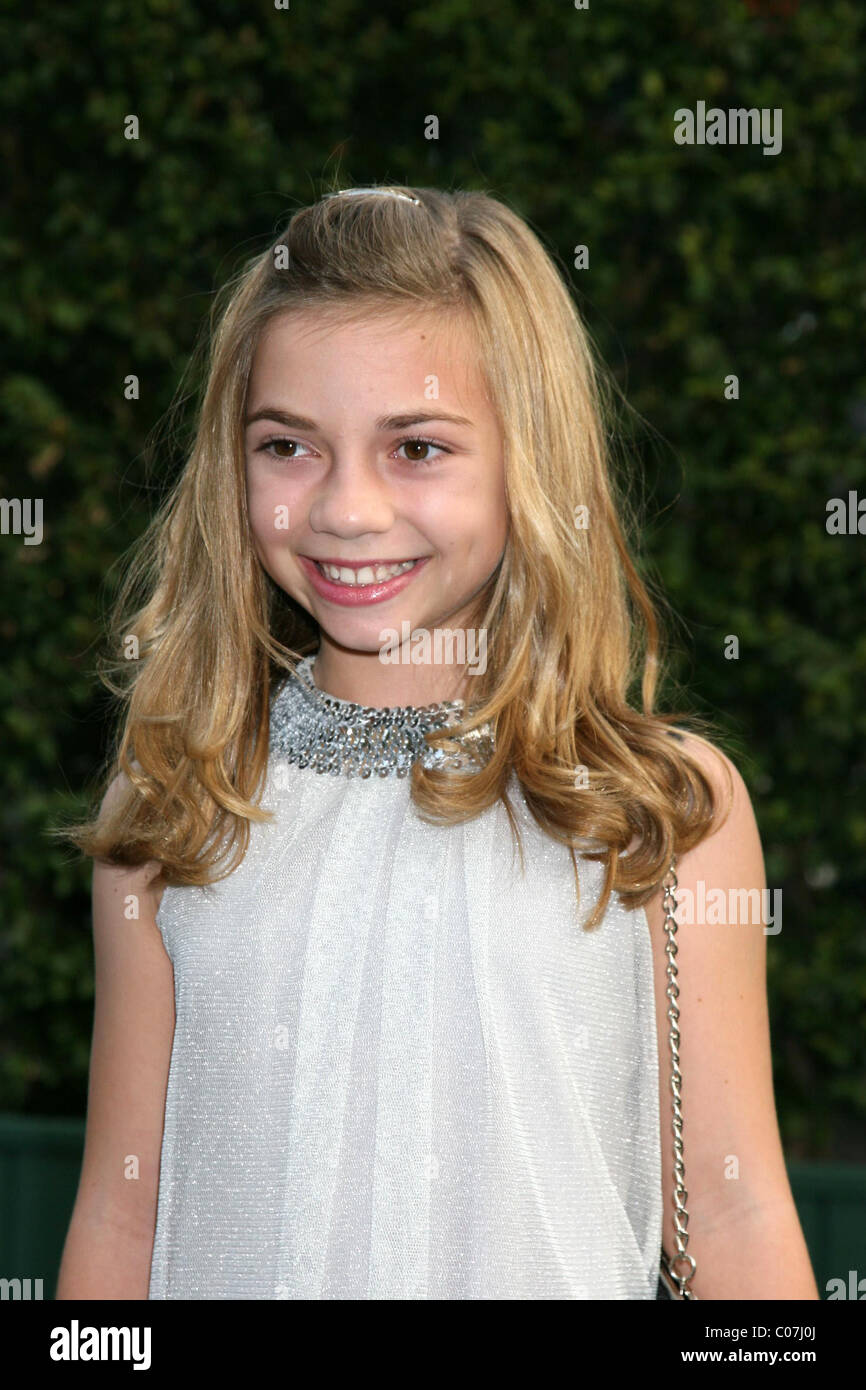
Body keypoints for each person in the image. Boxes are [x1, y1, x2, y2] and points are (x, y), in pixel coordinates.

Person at [55, 185, 818, 1300]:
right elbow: (124, 1210)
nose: (346, 509)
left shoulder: (655, 805)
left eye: (414, 447)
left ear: (531, 458)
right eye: (287, 446)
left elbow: (736, 1204)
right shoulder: (177, 791)